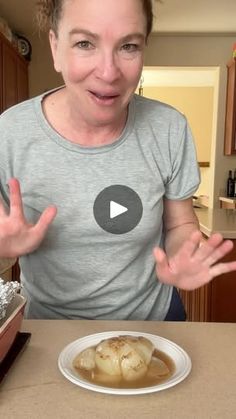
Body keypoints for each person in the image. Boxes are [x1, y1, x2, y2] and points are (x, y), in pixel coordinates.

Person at [0, 0, 236, 320]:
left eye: (128, 46)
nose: (109, 72)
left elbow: (180, 223)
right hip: (49, 333)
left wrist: (183, 254)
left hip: (154, 324)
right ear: (55, 48)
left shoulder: (169, 128)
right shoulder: (9, 134)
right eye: (85, 43)